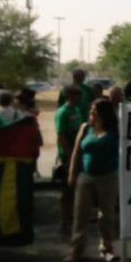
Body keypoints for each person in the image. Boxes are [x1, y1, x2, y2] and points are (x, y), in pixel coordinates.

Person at [63, 99, 120, 262]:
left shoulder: (116, 130)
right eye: (91, 111)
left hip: (108, 177)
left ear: (104, 114)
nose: (91, 115)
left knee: (106, 216)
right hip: (86, 176)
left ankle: (107, 248)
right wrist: (72, 173)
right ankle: (76, 252)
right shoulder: (85, 128)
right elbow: (76, 151)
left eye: (94, 112)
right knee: (80, 215)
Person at [55, 85, 85, 230]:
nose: (80, 97)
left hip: (78, 152)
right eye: (78, 94)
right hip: (68, 155)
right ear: (70, 96)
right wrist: (69, 154)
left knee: (75, 187)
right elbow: (61, 135)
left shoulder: (77, 109)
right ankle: (64, 219)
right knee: (67, 187)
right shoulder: (63, 112)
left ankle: (72, 215)